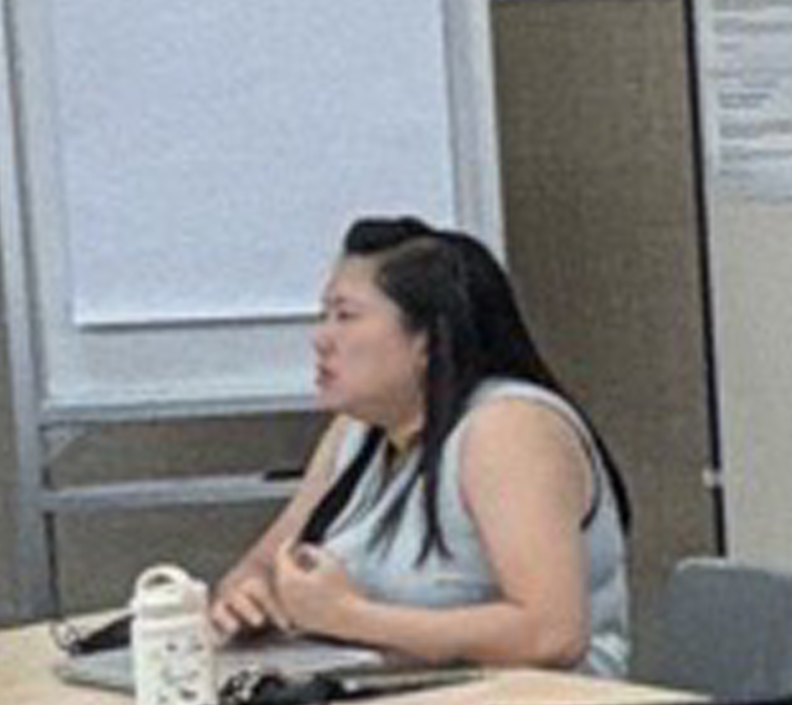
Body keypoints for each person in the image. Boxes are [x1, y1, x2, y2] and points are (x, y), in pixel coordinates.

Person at [201, 217, 630, 679]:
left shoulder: (508, 428)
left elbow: (552, 635)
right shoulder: (356, 432)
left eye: (346, 316)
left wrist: (350, 617)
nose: (321, 339)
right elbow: (262, 565)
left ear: (426, 338)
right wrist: (247, 597)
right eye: (323, 315)